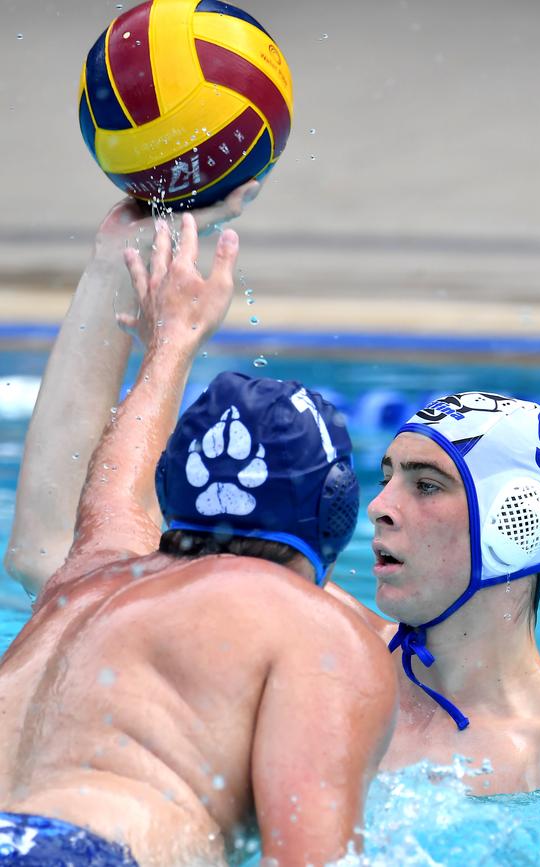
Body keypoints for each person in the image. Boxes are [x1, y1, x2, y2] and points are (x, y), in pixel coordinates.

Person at [0, 207, 397, 866]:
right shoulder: (318, 629)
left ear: (172, 493)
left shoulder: (90, 571)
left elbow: (114, 490)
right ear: (335, 511)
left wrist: (172, 339)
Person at [327, 392, 540, 792]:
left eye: (425, 485)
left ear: (515, 520)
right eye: (386, 478)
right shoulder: (334, 644)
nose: (378, 506)